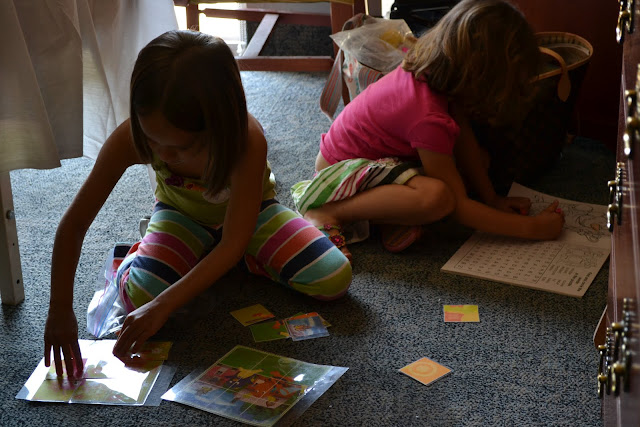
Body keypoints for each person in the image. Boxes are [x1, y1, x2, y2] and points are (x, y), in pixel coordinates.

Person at [43, 30, 352, 379]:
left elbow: (233, 241)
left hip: (252, 213)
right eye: (152, 139)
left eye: (179, 148)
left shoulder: (247, 141)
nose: (162, 154)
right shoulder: (131, 138)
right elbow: (74, 224)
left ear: (219, 126)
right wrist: (59, 309)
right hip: (181, 214)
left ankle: (230, 261)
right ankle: (145, 258)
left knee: (334, 279)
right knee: (140, 298)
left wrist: (167, 302)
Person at [291, 0, 565, 260]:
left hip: (376, 161)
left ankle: (388, 217)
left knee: (478, 161)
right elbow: (458, 206)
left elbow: (463, 139)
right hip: (342, 172)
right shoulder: (428, 116)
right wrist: (532, 229)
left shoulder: (437, 76)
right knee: (439, 199)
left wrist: (491, 198)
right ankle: (330, 212)